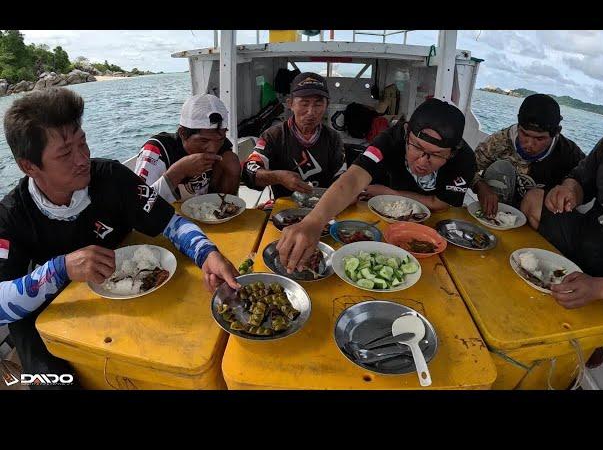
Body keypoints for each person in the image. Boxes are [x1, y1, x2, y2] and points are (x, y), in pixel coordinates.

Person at [0, 88, 240, 388]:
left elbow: (172, 224)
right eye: (65, 153)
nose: (82, 158)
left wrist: (208, 253)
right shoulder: (11, 215)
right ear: (29, 166)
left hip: (126, 294)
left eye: (83, 142)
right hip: (50, 313)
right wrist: (60, 269)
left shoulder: (113, 177)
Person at [276, 98, 476, 273]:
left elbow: (440, 203)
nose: (423, 162)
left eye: (437, 155)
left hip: (433, 232)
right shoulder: (389, 139)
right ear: (406, 132)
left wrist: (391, 193)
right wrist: (313, 222)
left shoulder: (464, 159)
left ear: (452, 153)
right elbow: (354, 178)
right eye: (417, 147)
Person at [524, 74, 603, 355]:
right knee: (534, 199)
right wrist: (569, 190)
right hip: (585, 242)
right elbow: (580, 179)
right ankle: (561, 282)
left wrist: (600, 289)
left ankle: (596, 329)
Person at [473, 94, 584, 218]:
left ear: (556, 132)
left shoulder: (570, 154)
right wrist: (480, 186)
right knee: (500, 167)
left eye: (540, 138)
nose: (529, 144)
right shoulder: (500, 141)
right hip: (501, 211)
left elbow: (586, 185)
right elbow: (467, 167)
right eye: (524, 134)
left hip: (538, 215)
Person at [242, 72, 346, 201]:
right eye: (304, 103)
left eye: (318, 104)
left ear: (327, 105)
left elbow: (342, 176)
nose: (311, 112)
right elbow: (249, 170)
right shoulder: (273, 135)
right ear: (290, 103)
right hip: (284, 208)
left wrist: (347, 190)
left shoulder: (333, 138)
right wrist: (278, 177)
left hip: (323, 207)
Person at [134, 93, 240, 203]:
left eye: (219, 139)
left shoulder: (223, 146)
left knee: (231, 161)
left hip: (204, 212)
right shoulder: (157, 150)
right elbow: (137, 203)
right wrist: (179, 171)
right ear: (183, 133)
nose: (213, 149)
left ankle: (222, 210)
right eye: (204, 141)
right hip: (166, 216)